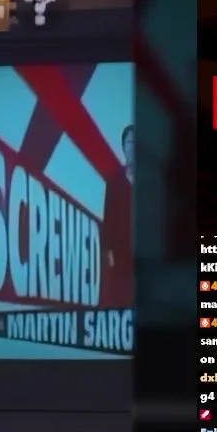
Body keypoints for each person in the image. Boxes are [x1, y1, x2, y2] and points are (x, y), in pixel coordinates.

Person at [98, 125, 134, 309]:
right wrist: (109, 253)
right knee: (121, 305)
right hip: (121, 258)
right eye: (129, 142)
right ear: (123, 147)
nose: (133, 147)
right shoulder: (114, 182)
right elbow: (108, 218)